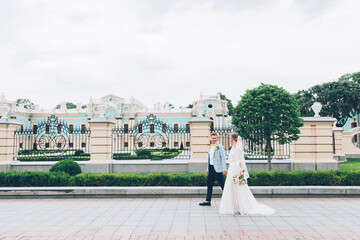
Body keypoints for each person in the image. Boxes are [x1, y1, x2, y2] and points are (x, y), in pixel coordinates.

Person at [219, 133, 275, 215]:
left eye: (230, 138)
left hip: (236, 168)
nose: (229, 139)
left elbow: (240, 161)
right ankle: (234, 206)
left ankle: (242, 205)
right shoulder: (233, 148)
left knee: (239, 187)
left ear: (234, 139)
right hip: (232, 168)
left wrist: (240, 171)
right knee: (231, 187)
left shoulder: (238, 149)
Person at [199, 133, 228, 206]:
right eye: (213, 138)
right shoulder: (210, 147)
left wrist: (224, 169)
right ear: (210, 139)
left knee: (222, 184)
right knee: (209, 184)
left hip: (218, 168)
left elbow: (223, 158)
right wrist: (208, 169)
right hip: (211, 168)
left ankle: (229, 200)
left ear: (217, 139)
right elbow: (209, 159)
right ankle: (207, 201)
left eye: (215, 138)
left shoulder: (220, 146)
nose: (214, 139)